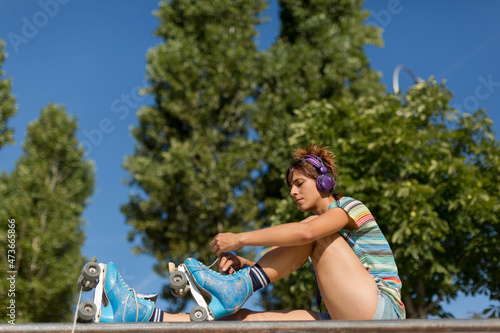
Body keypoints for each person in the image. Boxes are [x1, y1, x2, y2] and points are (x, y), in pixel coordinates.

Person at [102, 145, 405, 322]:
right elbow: (296, 253)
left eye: (299, 183)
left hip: (383, 315)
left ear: (324, 182)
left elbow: (306, 233)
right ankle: (146, 315)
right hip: (343, 318)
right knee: (239, 320)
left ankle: (239, 286)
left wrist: (240, 238)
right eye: (291, 186)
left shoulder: (347, 208)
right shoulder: (321, 243)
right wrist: (247, 266)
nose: (292, 192)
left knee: (312, 232)